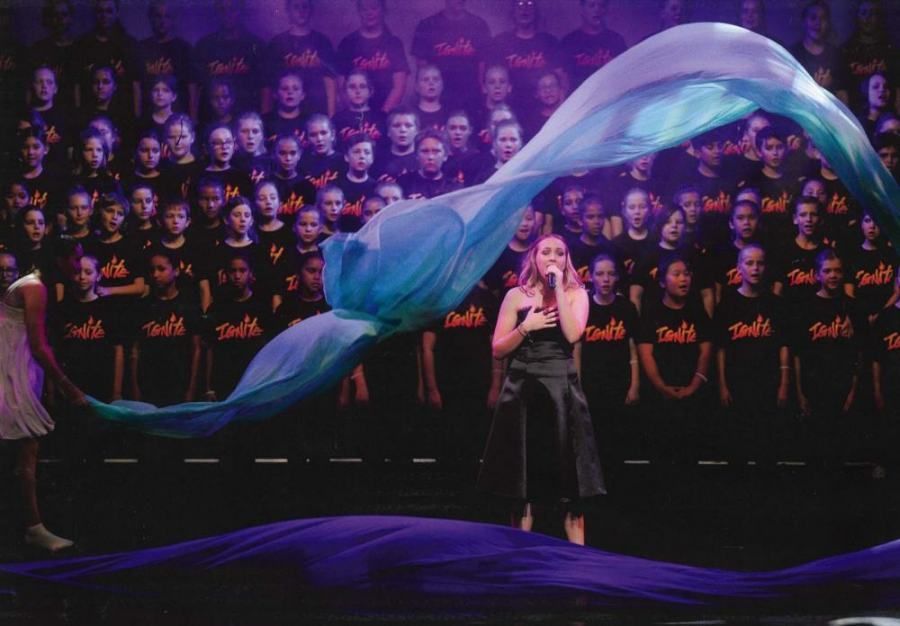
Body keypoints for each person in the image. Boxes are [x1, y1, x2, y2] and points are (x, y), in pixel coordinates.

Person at [477, 234, 604, 545]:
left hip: (561, 388)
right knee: (523, 480)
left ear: (566, 260)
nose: (552, 257)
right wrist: (525, 328)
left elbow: (573, 334)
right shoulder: (516, 296)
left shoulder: (577, 295)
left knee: (568, 480)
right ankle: (520, 555)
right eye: (546, 251)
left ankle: (577, 561)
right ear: (533, 257)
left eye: (559, 253)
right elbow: (497, 349)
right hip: (523, 387)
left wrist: (558, 287)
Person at [0, 250, 87, 552]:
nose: (78, 266)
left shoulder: (33, 285)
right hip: (11, 376)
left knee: (25, 451)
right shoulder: (33, 287)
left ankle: (32, 525)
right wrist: (68, 387)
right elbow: (38, 346)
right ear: (59, 259)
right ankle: (32, 528)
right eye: (73, 259)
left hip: (17, 372)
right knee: (26, 450)